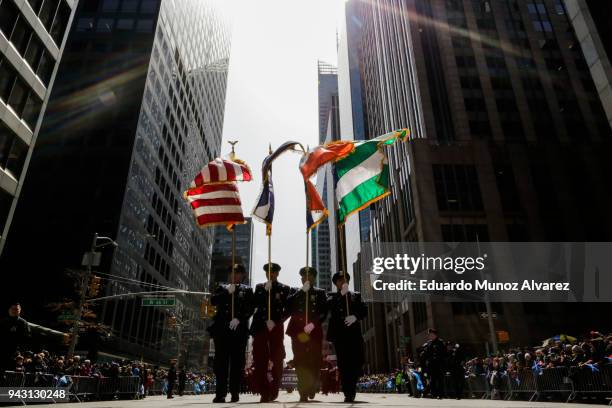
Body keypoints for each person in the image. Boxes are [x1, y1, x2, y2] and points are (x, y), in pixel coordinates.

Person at [208, 264, 254, 403]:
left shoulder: (247, 290)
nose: (234, 275)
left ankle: (235, 393)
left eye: (238, 273)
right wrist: (227, 292)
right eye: (232, 273)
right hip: (222, 331)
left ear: (242, 275)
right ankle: (220, 394)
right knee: (221, 363)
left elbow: (251, 308)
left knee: (237, 364)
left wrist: (239, 319)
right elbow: (213, 301)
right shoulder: (222, 287)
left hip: (238, 331)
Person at [250, 262, 293, 402]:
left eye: (273, 272)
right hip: (261, 327)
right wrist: (264, 293)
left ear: (277, 273)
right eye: (268, 272)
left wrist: (276, 320)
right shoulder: (260, 287)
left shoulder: (285, 289)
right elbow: (254, 304)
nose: (270, 274)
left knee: (277, 359)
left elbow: (288, 309)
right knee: (260, 359)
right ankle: (263, 391)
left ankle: (274, 389)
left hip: (276, 328)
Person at [286, 266, 328, 402]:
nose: (307, 279)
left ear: (314, 278)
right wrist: (300, 293)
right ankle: (303, 391)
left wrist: (314, 323)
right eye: (304, 277)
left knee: (314, 359)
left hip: (313, 331)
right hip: (299, 332)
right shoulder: (295, 292)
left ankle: (312, 385)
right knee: (300, 359)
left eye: (310, 277)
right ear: (301, 278)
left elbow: (324, 312)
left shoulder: (320, 293)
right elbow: (288, 305)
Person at [326, 272, 367, 402]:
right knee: (344, 364)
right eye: (339, 280)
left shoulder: (356, 295)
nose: (342, 282)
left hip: (354, 335)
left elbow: (364, 310)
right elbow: (328, 308)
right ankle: (348, 392)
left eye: (344, 279)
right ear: (335, 283)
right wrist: (340, 297)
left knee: (356, 362)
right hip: (340, 336)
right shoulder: (332, 297)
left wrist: (355, 316)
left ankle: (352, 387)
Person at [1, 302, 31, 374]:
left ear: (20, 310)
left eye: (16, 309)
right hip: (2, 353)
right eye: (13, 309)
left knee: (13, 377)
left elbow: (28, 340)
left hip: (16, 355)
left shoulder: (23, 323)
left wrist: (26, 355)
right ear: (9, 310)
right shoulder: (3, 322)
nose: (14, 311)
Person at [422, 328, 446, 399]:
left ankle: (440, 394)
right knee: (432, 380)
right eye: (429, 335)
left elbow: (444, 353)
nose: (429, 336)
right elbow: (427, 354)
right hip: (431, 365)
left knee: (440, 380)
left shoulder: (440, 342)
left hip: (439, 364)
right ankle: (434, 394)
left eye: (431, 334)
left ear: (435, 335)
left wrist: (442, 362)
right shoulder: (429, 343)